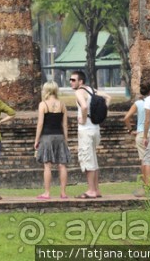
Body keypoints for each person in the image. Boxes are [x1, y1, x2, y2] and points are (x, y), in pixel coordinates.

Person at [70, 70, 111, 199]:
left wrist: (83, 118)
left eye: (73, 80)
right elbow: (109, 98)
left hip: (86, 130)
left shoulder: (79, 92)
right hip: (95, 128)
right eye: (70, 80)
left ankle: (91, 190)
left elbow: (83, 106)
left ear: (80, 81)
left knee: (87, 160)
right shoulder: (92, 90)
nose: (71, 82)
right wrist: (99, 114)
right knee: (93, 159)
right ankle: (96, 189)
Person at [33, 82, 71, 200]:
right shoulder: (62, 104)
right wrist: (66, 139)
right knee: (62, 165)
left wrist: (36, 140)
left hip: (47, 137)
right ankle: (63, 192)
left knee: (47, 166)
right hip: (59, 135)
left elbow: (40, 124)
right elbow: (65, 124)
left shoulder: (43, 104)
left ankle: (47, 192)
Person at [123, 82, 150, 161]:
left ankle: (146, 174)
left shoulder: (138, 103)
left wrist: (131, 130)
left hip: (141, 133)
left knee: (144, 161)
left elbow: (126, 118)